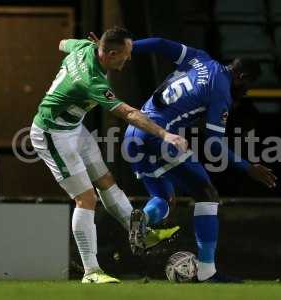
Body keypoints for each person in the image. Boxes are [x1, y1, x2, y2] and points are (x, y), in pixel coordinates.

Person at [29, 28, 186, 284]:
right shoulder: (91, 81)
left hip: (73, 127)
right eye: (125, 54)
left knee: (105, 180)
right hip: (52, 133)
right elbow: (129, 114)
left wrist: (89, 46)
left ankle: (140, 233)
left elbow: (61, 43)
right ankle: (91, 272)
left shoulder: (82, 48)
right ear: (110, 54)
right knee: (86, 198)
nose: (129, 59)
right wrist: (165, 135)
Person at [123, 38, 277, 282]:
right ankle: (207, 271)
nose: (247, 91)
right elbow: (214, 144)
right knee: (207, 194)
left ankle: (146, 217)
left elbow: (162, 44)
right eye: (249, 84)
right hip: (159, 136)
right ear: (242, 76)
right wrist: (248, 167)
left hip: (132, 133)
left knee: (163, 198)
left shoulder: (199, 58)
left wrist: (129, 46)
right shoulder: (221, 92)